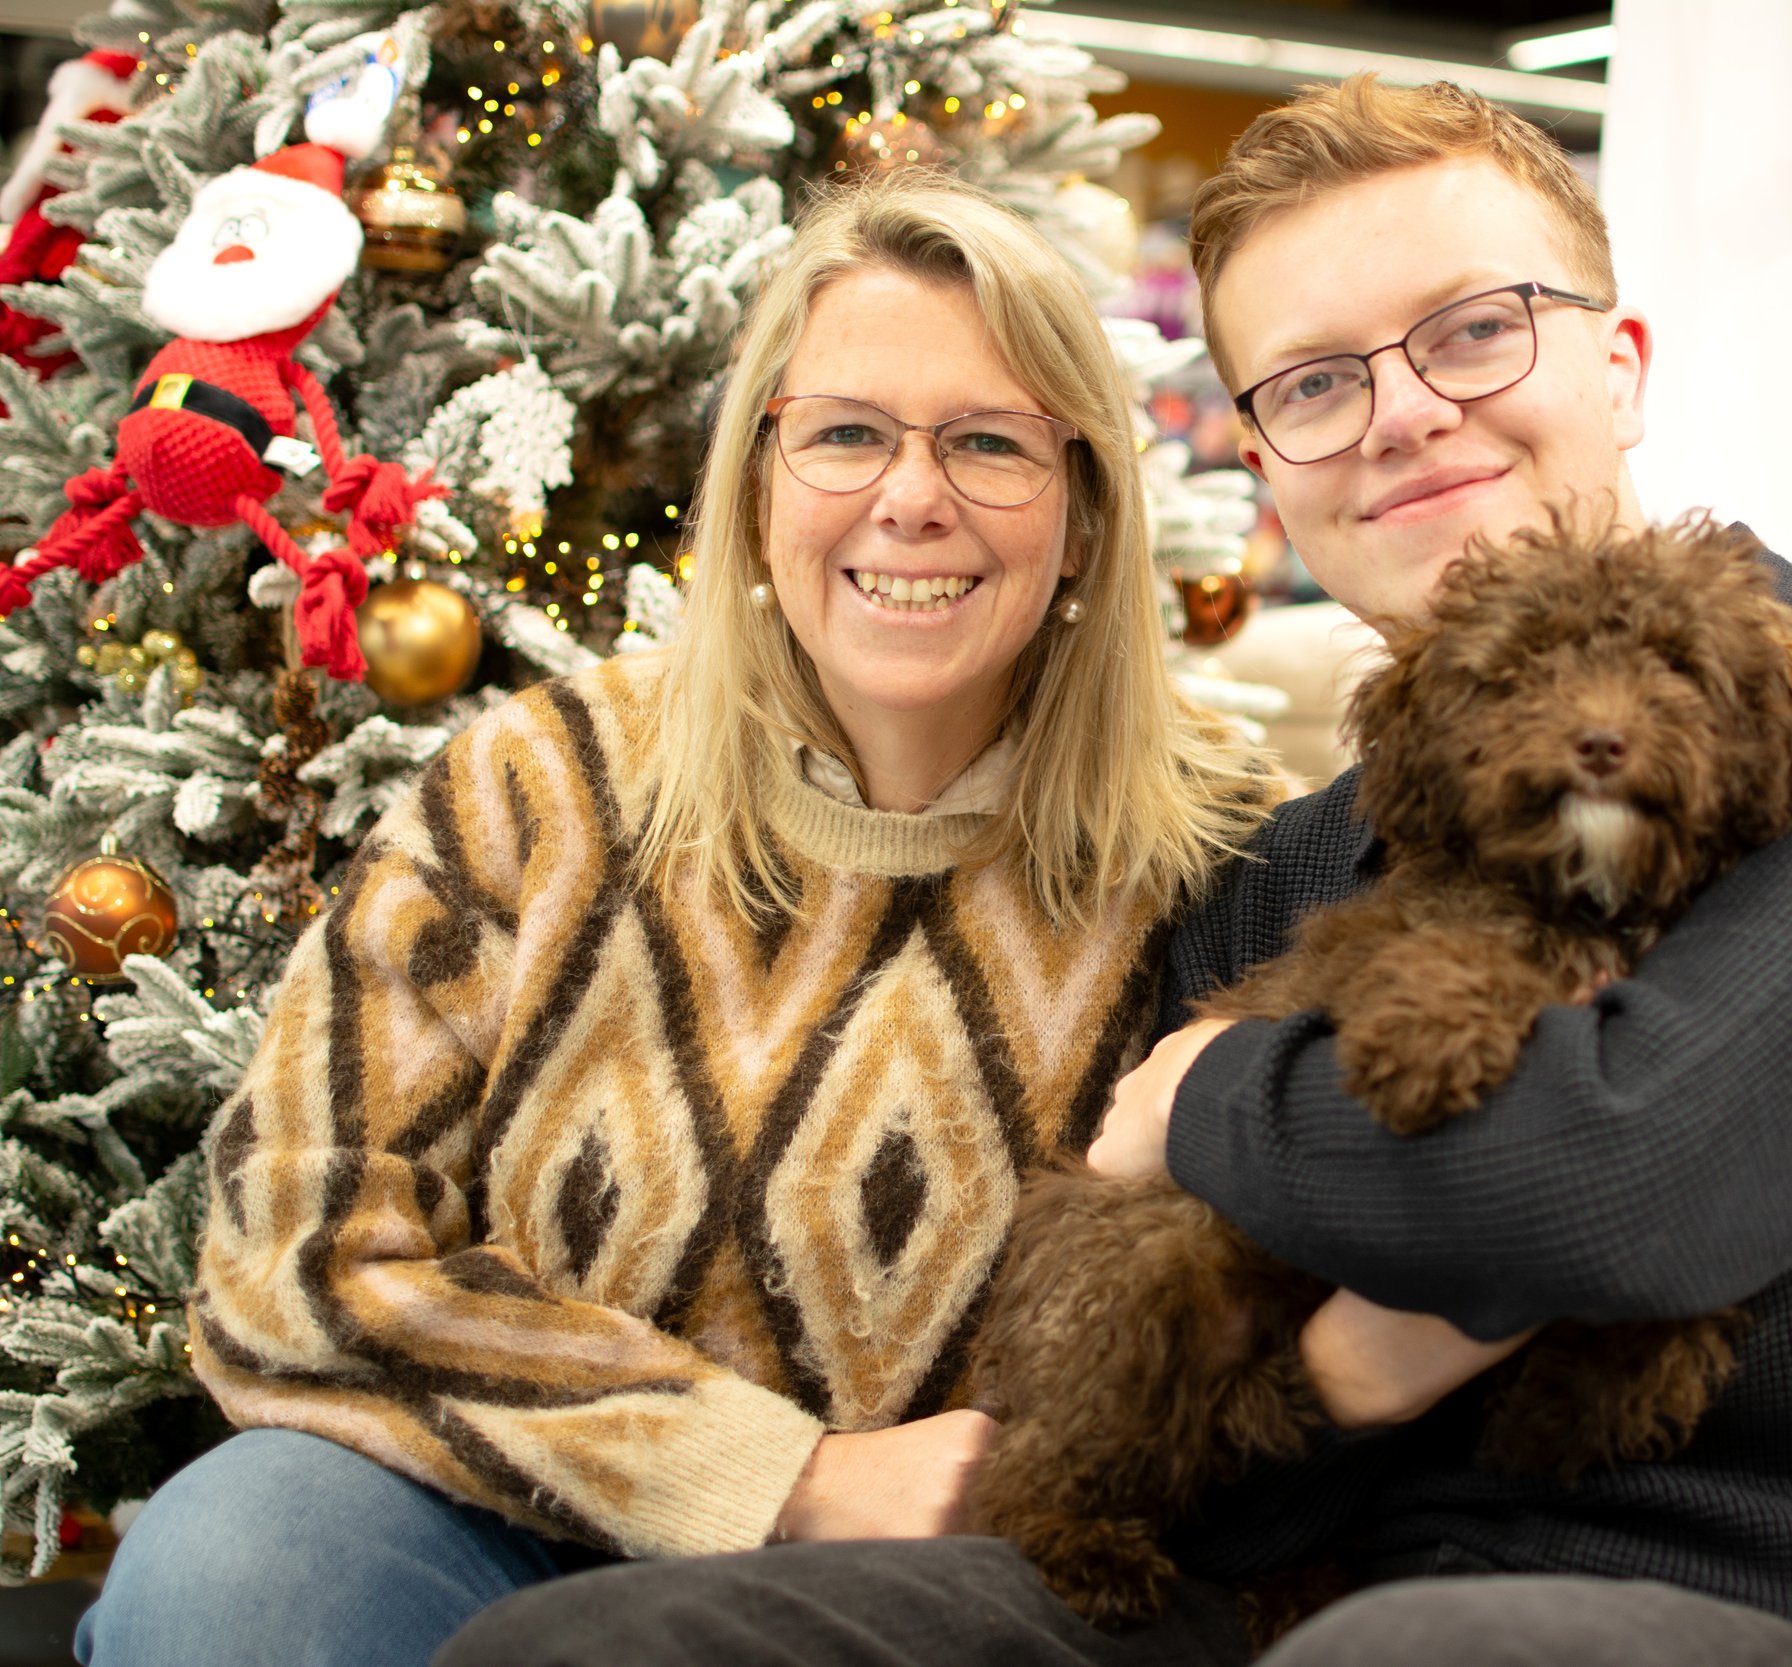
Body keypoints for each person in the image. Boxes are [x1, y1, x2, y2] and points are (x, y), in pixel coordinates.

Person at [441, 76, 1792, 1667]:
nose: (1403, 411)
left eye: (1476, 328)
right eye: (1314, 382)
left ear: (1623, 363)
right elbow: (1193, 1414)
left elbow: (1615, 1185)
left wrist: (1223, 1089)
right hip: (1285, 1613)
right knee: (591, 1650)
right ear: (1263, 463)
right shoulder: (1286, 867)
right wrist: (1343, 1379)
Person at [73, 168, 1274, 1667]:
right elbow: (300, 1254)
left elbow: (1269, 1309)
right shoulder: (541, 785)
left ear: (1087, 512)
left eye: (989, 443)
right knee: (239, 1567)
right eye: (845, 434)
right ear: (759, 480)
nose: (912, 497)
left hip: (959, 1586)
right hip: (505, 1524)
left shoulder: (1221, 856)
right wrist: (780, 1477)